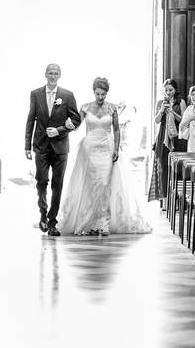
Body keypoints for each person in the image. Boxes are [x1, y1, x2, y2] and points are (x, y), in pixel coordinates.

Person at [58, 78, 152, 236]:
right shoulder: (85, 107)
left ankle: (103, 222)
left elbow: (116, 130)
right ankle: (87, 222)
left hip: (107, 149)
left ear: (107, 93)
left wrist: (116, 148)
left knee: (104, 183)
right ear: (93, 92)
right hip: (89, 150)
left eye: (103, 94)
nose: (100, 97)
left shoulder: (112, 108)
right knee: (90, 185)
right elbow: (76, 125)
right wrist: (66, 125)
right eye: (97, 93)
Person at [24, 63, 82, 236]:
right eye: (50, 73)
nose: (53, 76)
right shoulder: (35, 94)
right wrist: (27, 145)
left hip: (60, 147)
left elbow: (76, 120)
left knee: (57, 184)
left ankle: (52, 222)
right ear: (45, 74)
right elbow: (30, 120)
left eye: (56, 73)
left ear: (60, 75)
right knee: (41, 181)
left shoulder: (67, 95)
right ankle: (43, 213)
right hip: (41, 145)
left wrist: (60, 130)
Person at [148, 78, 186, 206]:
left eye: (171, 90)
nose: (168, 92)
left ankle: (178, 201)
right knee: (162, 167)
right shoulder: (160, 102)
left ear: (175, 90)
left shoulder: (181, 102)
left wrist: (172, 112)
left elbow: (184, 121)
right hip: (162, 136)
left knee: (176, 169)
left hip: (177, 137)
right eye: (166, 90)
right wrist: (162, 110)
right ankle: (164, 200)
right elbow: (157, 120)